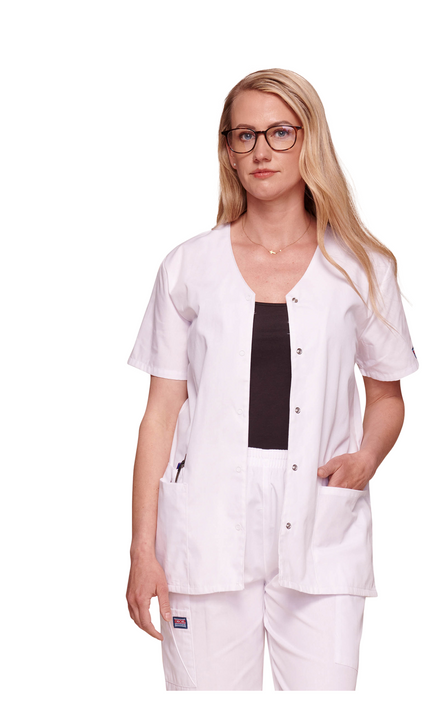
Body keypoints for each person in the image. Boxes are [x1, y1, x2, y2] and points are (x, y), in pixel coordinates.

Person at [125, 68, 419, 691]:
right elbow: (160, 414)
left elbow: (387, 395)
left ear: (310, 140)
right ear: (229, 151)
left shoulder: (362, 268)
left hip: (321, 523)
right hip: (205, 527)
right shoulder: (188, 267)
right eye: (245, 135)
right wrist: (142, 551)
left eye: (280, 132)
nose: (261, 150)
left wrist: (367, 457)